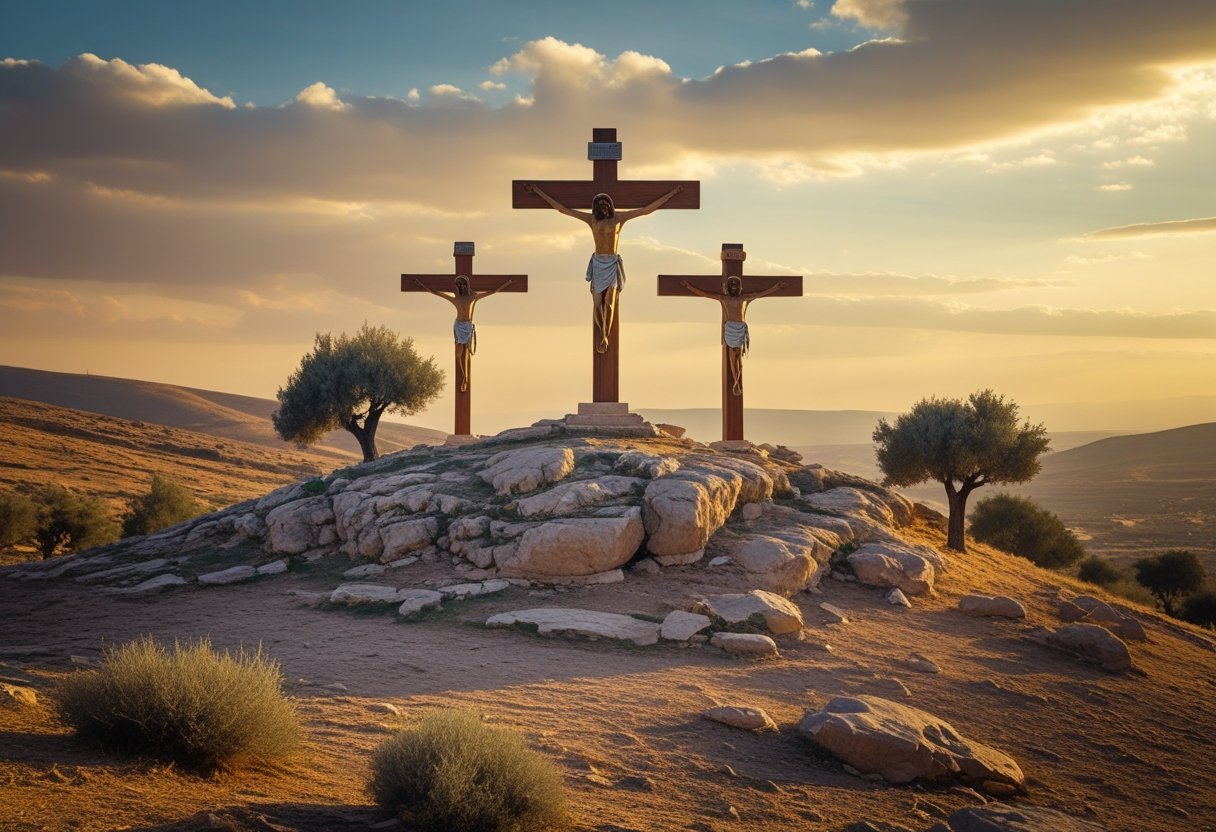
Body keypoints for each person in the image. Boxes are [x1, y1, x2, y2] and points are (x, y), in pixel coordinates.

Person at [525, 184, 682, 353]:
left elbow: (645, 210)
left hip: (612, 264)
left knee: (609, 302)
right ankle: (602, 333)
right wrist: (538, 191)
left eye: (606, 204)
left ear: (610, 205)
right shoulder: (592, 220)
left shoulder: (619, 218)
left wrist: (672, 193)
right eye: (601, 206)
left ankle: (605, 335)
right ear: (596, 208)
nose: (604, 208)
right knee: (597, 303)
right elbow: (563, 210)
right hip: (598, 264)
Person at [679, 276, 787, 395]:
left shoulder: (742, 298)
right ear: (727, 288)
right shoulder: (724, 298)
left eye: (736, 285)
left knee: (738, 356)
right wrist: (688, 287)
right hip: (730, 329)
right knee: (732, 356)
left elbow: (759, 294)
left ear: (740, 287)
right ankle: (736, 381)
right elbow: (705, 294)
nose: (734, 288)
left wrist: (775, 288)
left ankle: (738, 381)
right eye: (732, 285)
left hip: (739, 328)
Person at [414, 275, 513, 392]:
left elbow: (492, 292)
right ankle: (463, 377)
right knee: (458, 354)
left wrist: (506, 284)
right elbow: (437, 293)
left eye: (461, 284)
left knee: (467, 351)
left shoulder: (472, 297)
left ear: (466, 285)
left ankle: (466, 377)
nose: (460, 287)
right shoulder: (455, 299)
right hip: (459, 325)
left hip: (467, 326)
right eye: (458, 285)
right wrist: (421, 285)